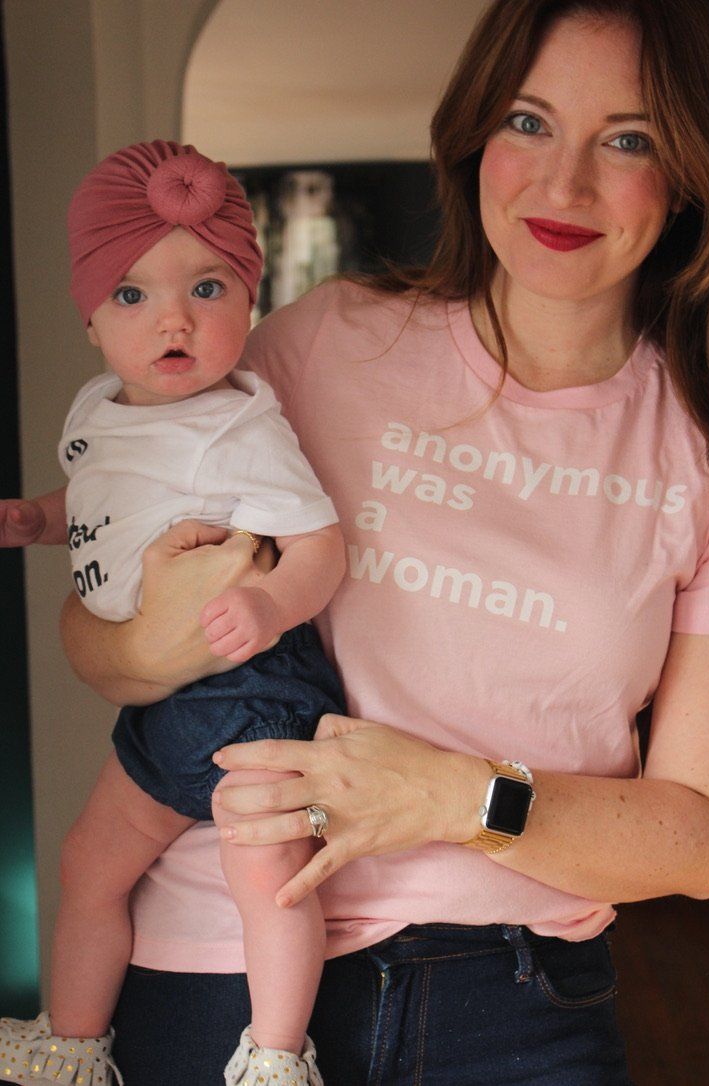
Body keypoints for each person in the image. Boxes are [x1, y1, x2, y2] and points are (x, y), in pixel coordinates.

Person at [3, 0, 709, 1082]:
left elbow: (695, 842)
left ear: (687, 172)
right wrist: (149, 642)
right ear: (476, 133)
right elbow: (96, 637)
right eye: (528, 122)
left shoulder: (700, 451)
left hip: (513, 1003)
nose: (562, 184)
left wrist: (455, 796)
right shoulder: (323, 343)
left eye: (627, 138)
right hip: (221, 976)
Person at [0, 141, 347, 1086]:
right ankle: (73, 1041)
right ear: (90, 319)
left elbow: (320, 545)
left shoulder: (240, 428)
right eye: (131, 295)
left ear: (249, 303)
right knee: (88, 861)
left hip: (251, 687)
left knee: (265, 875)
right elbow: (102, 494)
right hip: (164, 700)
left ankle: (277, 1053)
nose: (172, 323)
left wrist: (269, 601)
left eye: (207, 289)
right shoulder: (98, 411)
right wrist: (40, 519)